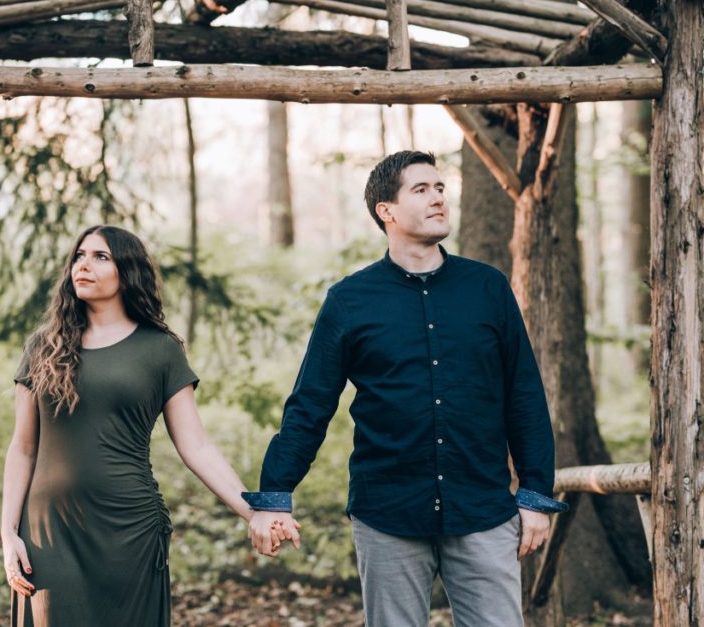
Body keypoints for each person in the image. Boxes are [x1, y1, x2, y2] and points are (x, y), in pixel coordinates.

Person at [242, 151, 568, 626]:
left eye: (440, 187)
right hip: (387, 515)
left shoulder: (488, 288)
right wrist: (275, 493)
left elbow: (524, 394)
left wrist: (536, 492)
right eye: (421, 189)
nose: (438, 198)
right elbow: (310, 405)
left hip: (483, 509)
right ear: (386, 211)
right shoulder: (350, 301)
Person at [0, 225, 296, 626]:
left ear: (128, 271)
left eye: (100, 257)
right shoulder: (44, 346)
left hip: (130, 531)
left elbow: (197, 447)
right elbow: (23, 448)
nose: (83, 265)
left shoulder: (159, 349)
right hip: (50, 531)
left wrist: (254, 512)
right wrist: (8, 533)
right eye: (79, 256)